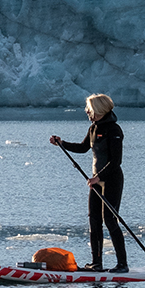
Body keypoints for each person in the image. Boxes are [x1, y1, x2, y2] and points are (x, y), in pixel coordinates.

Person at [48, 93, 128, 273]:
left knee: (110, 220)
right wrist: (62, 143)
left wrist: (99, 177)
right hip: (96, 180)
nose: (87, 112)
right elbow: (83, 148)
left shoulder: (114, 130)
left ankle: (122, 264)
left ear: (98, 110)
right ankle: (96, 263)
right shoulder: (93, 128)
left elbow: (116, 161)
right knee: (94, 220)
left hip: (111, 180)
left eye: (89, 109)